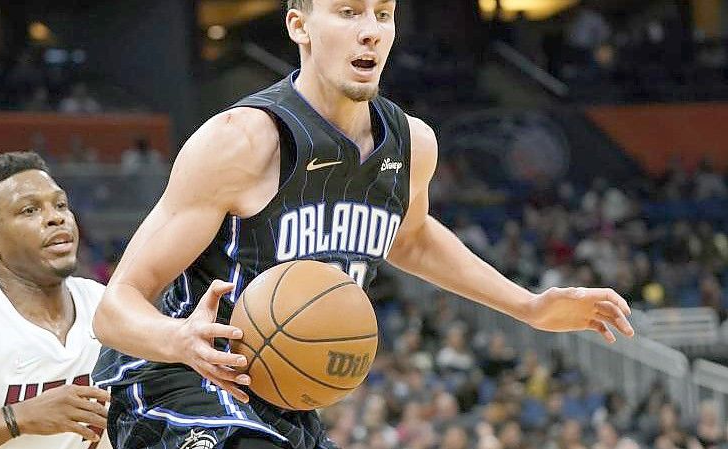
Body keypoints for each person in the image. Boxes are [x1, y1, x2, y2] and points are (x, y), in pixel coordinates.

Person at [92, 1, 635, 448]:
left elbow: (412, 238)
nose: (371, 32)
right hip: (176, 387)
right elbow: (115, 310)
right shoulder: (243, 141)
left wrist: (529, 306)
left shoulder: (413, 145)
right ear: (298, 25)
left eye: (383, 14)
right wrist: (180, 341)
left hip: (284, 403)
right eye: (349, 13)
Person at [0, 152, 111, 448]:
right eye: (29, 210)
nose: (56, 217)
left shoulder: (106, 307)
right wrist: (16, 418)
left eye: (61, 204)